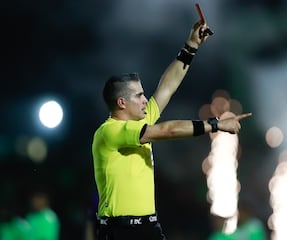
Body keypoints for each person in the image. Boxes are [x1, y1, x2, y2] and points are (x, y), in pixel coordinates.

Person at [91, 17, 252, 240]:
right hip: (120, 231)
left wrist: (191, 46)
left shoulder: (140, 120)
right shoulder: (110, 131)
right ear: (121, 103)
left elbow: (167, 86)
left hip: (149, 227)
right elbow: (168, 131)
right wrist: (215, 124)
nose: (146, 100)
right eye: (139, 96)